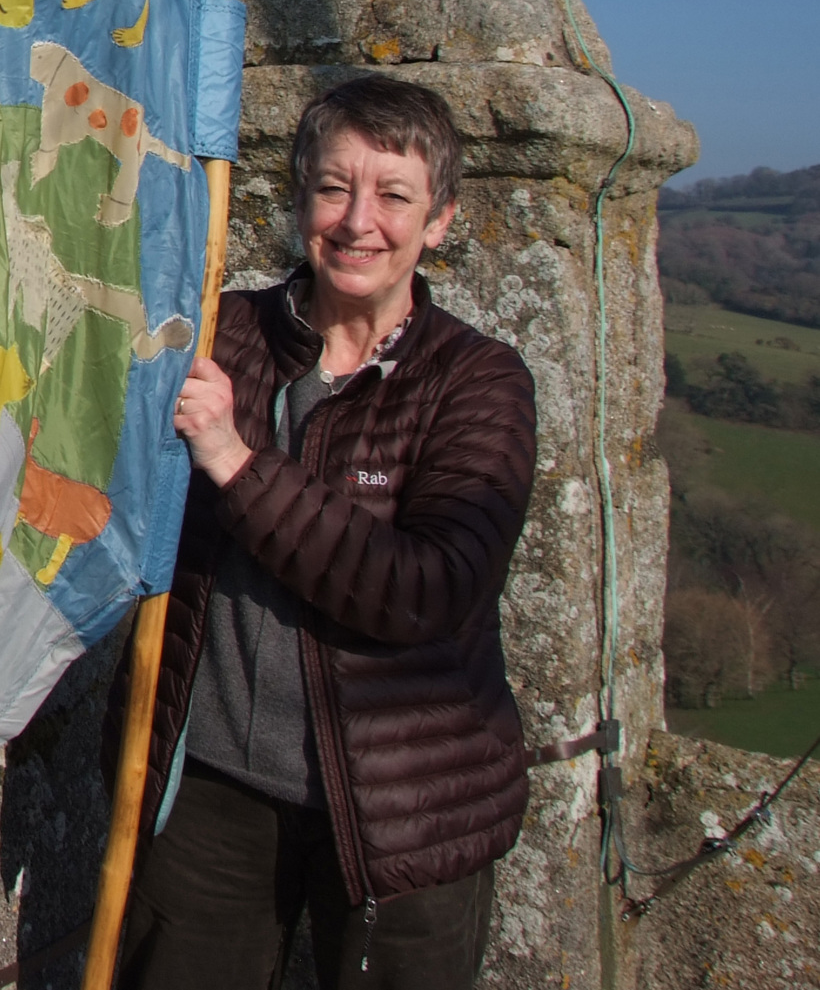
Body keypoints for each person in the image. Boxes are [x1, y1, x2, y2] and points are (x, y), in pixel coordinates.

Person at [115, 75, 538, 990]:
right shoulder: (221, 332)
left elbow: (424, 589)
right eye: (335, 187)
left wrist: (234, 459)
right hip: (211, 787)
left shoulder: (478, 382)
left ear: (441, 221)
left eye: (394, 194)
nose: (358, 221)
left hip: (406, 815)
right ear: (300, 195)